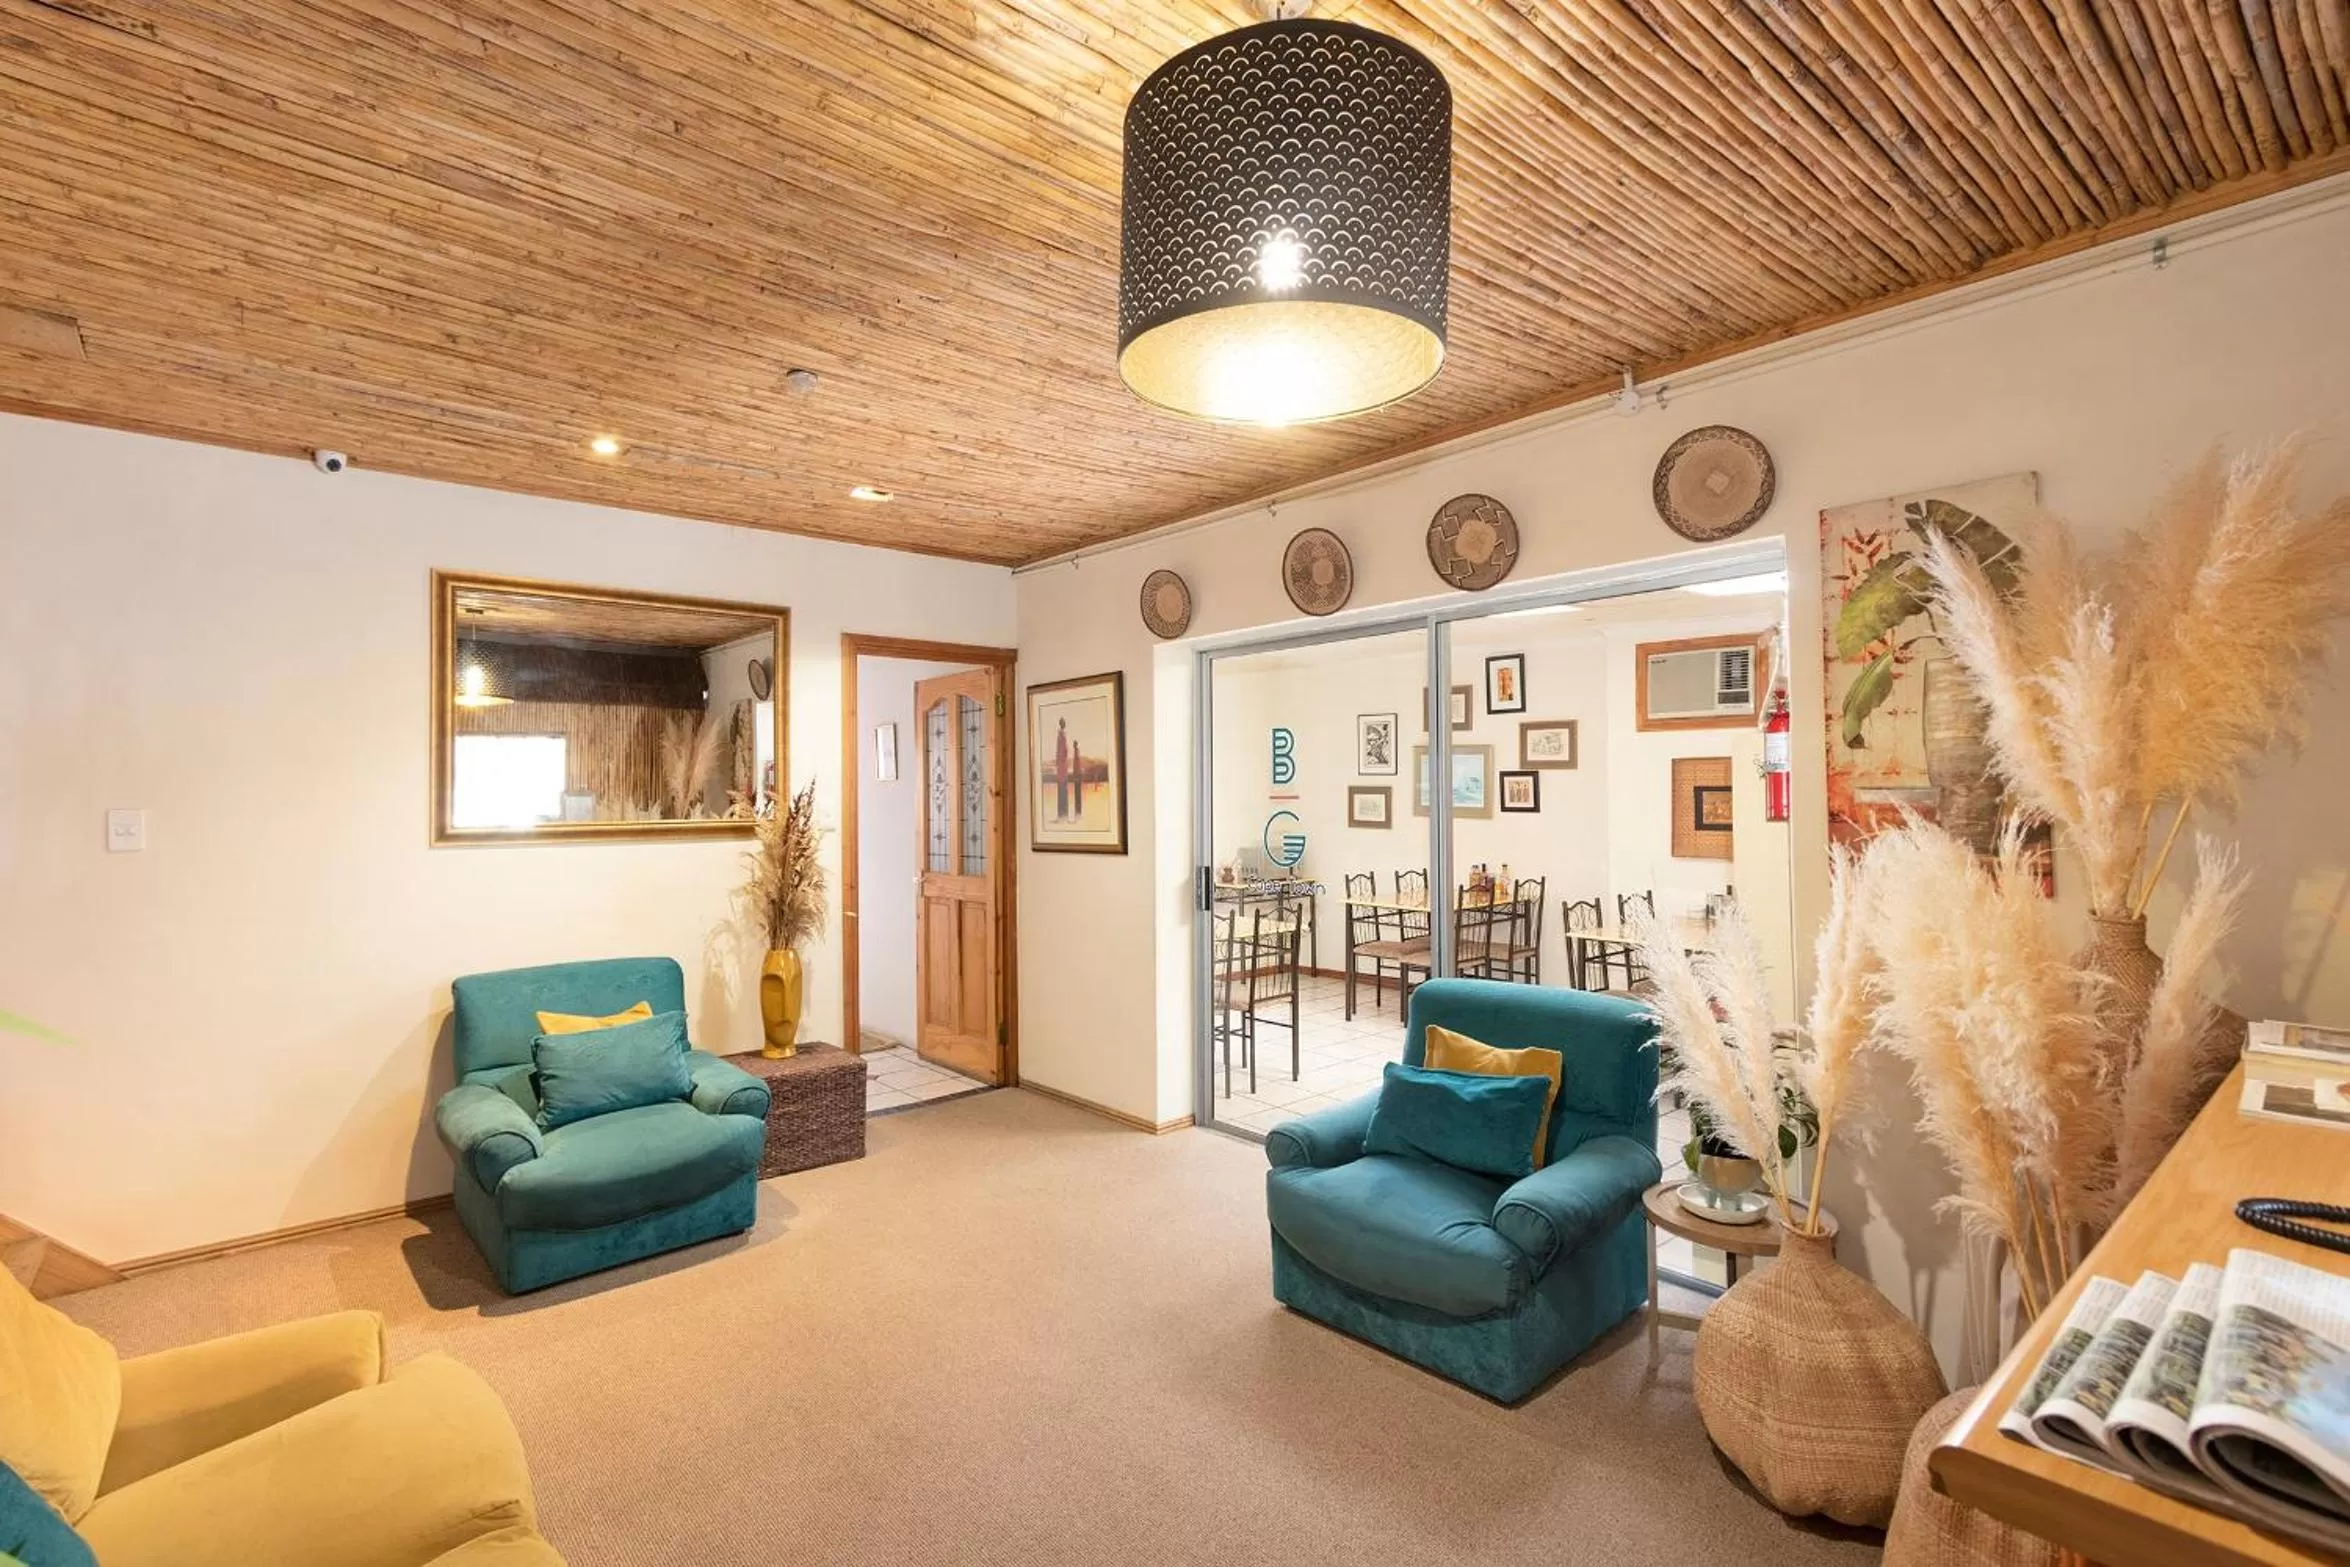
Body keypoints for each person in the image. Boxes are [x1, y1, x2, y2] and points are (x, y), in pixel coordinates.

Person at [1053, 718, 1070, 822]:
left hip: (1063, 767)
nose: (1063, 724)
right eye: (1062, 723)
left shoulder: (1062, 735)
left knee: (1063, 788)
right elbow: (1061, 751)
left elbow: (1064, 751)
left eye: (1064, 722)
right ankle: (1062, 813)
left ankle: (1063, 813)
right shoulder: (1061, 736)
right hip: (1061, 767)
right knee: (1062, 788)